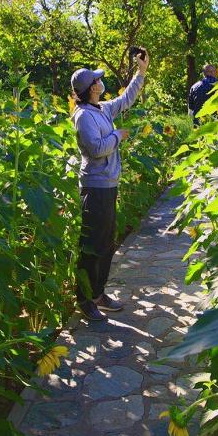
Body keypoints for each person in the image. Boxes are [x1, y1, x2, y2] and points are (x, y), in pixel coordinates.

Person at [70, 50, 149, 321]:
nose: (101, 83)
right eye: (97, 81)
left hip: (108, 184)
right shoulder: (83, 116)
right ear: (91, 88)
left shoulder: (101, 109)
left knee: (106, 243)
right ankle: (84, 299)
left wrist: (141, 72)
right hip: (95, 187)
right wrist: (118, 135)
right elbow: (95, 148)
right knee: (91, 245)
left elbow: (126, 99)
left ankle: (98, 293)